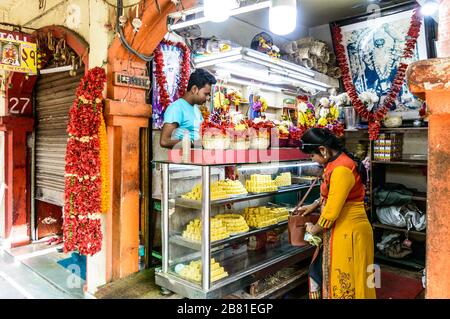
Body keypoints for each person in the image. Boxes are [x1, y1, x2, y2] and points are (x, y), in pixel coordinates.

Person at [296, 127, 376, 299]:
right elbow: (332, 195)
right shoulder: (335, 164)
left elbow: (331, 213)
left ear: (323, 150)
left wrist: (313, 229)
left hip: (350, 232)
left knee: (349, 279)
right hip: (344, 230)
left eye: (312, 155)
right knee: (354, 277)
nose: (313, 160)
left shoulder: (341, 169)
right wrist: (315, 205)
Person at [159, 68, 216, 149]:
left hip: (196, 159)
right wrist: (193, 143)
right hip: (182, 160)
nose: (207, 98)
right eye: (205, 94)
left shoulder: (196, 110)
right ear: (194, 89)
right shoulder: (176, 108)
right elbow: (164, 141)